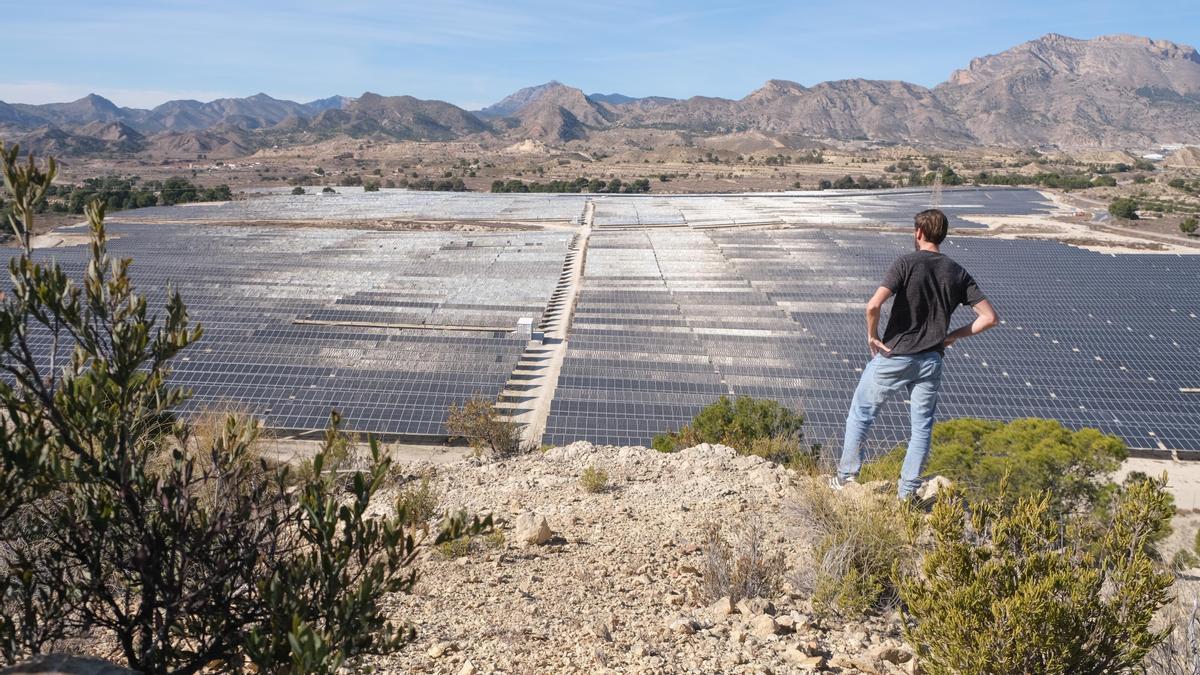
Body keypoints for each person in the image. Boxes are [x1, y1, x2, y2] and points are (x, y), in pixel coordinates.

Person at [831, 209, 999, 499]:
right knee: (921, 428)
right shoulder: (957, 272)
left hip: (895, 355)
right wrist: (951, 337)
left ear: (919, 233)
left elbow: (873, 306)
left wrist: (873, 336)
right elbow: (989, 318)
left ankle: (846, 479)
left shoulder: (906, 263)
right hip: (931, 361)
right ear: (942, 235)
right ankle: (907, 494)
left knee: (861, 413)